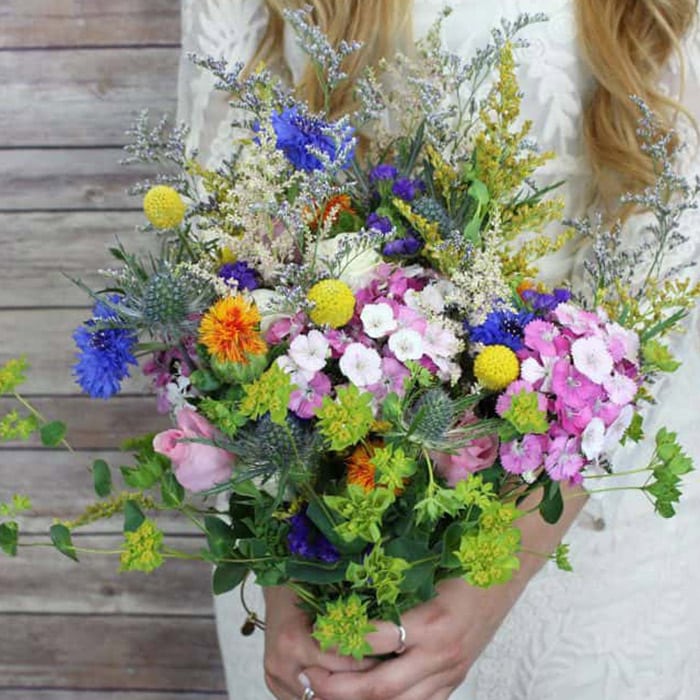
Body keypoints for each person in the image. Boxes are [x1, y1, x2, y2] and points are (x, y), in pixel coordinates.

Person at [177, 1, 700, 698]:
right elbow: (224, 225)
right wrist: (286, 556)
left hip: (586, 506)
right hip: (314, 505)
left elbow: (667, 253)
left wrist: (504, 569)